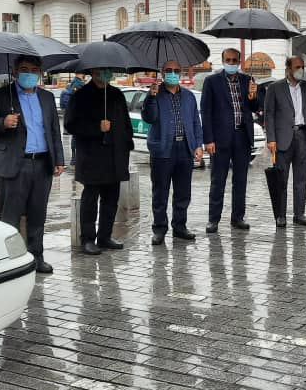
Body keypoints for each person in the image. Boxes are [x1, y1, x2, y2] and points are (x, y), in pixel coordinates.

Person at [0, 56, 64, 274]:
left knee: (38, 215)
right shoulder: (0, 95)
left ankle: (37, 256)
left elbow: (54, 130)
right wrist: (3, 123)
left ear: (40, 72)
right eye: (24, 69)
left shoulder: (45, 97)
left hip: (42, 163)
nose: (29, 74)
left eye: (34, 70)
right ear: (15, 71)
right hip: (14, 165)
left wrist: (59, 160)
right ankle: (12, 261)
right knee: (10, 216)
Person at [64, 67, 134, 255]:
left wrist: (127, 143)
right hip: (92, 156)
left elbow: (126, 123)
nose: (105, 73)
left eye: (107, 70)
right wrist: (97, 128)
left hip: (115, 156)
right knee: (90, 199)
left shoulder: (117, 94)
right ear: (93, 72)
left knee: (111, 199)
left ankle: (105, 236)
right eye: (101, 70)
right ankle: (88, 238)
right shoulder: (81, 96)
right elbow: (70, 125)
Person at [142, 61, 203, 246]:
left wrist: (198, 145)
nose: (173, 74)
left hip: (184, 149)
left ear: (182, 73)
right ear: (162, 72)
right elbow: (149, 118)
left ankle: (180, 226)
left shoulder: (189, 96)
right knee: (160, 192)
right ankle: (159, 229)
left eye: (177, 71)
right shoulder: (155, 93)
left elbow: (195, 122)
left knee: (183, 192)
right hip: (163, 150)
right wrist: (150, 98)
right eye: (169, 71)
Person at [201, 48, 259, 232]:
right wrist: (208, 139)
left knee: (240, 180)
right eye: (228, 60)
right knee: (218, 180)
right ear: (223, 60)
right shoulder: (211, 82)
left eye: (234, 60)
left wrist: (252, 95)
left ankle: (238, 217)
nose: (231, 63)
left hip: (242, 136)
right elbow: (206, 111)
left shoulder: (247, 81)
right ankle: (214, 219)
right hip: (220, 139)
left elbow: (255, 107)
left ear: (239, 61)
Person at [264, 55, 306, 227]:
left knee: (301, 178)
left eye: (302, 67)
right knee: (282, 178)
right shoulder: (275, 88)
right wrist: (271, 138)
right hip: (282, 138)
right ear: (288, 69)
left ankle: (299, 213)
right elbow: (269, 114)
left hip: (304, 135)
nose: (300, 70)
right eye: (297, 67)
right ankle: (281, 215)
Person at [60, 73, 86, 166]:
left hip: (73, 114)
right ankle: (77, 158)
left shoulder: (72, 84)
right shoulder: (79, 84)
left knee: (74, 137)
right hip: (80, 115)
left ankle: (74, 158)